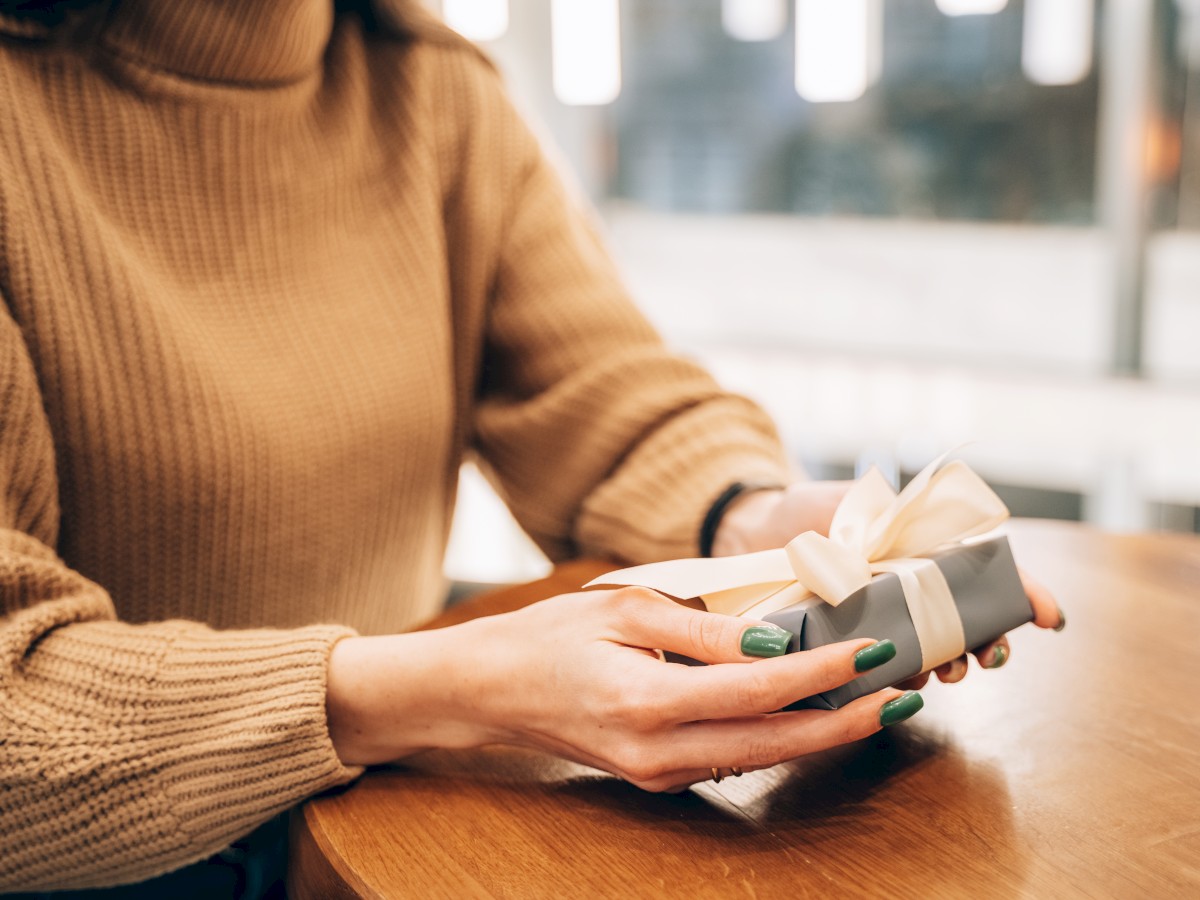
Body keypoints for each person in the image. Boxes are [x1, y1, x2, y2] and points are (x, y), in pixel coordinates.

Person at [0, 0, 1064, 895]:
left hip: (365, 830)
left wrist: (753, 526)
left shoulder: (429, 88)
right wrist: (441, 688)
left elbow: (598, 396)